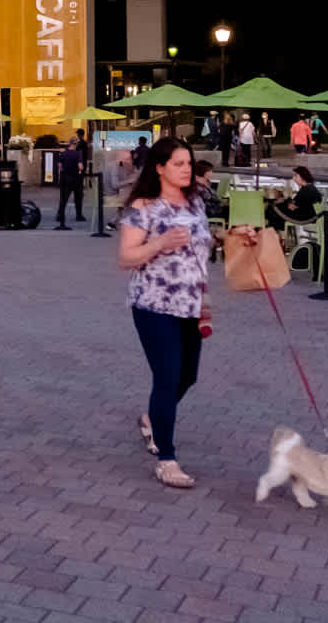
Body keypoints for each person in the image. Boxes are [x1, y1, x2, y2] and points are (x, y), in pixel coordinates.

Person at [117, 138, 213, 490]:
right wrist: (159, 243)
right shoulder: (144, 206)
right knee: (168, 376)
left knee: (188, 376)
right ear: (159, 168)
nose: (186, 169)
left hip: (193, 303)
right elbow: (126, 257)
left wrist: (235, 237)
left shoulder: (196, 201)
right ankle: (167, 459)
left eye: (189, 163)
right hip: (154, 304)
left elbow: (203, 242)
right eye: (178, 163)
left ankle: (151, 419)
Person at [55, 130, 86, 228]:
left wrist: (61, 174)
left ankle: (60, 215)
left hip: (65, 177)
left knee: (63, 198)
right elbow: (80, 166)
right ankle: (79, 215)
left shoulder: (63, 153)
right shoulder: (78, 153)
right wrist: (81, 169)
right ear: (76, 144)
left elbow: (60, 165)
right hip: (76, 178)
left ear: (69, 143)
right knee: (78, 197)